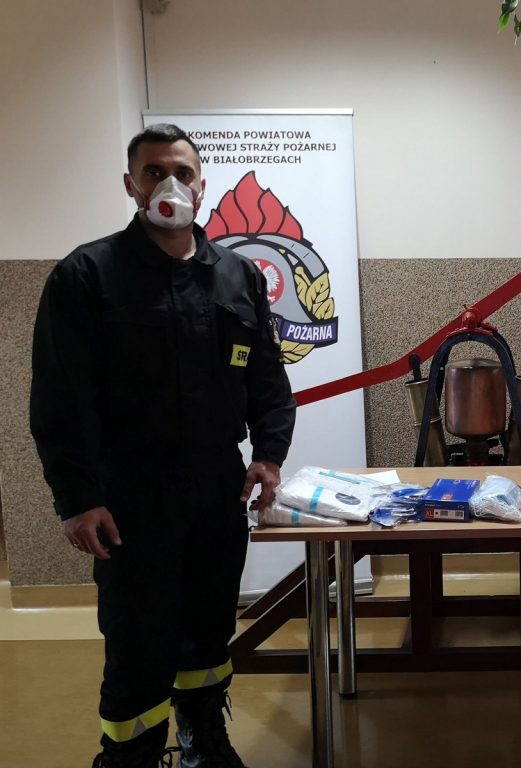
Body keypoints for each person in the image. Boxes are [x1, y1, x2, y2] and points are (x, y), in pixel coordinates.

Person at [30, 124, 296, 768]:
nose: (168, 185)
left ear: (201, 186)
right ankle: (130, 754)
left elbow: (266, 375)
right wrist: (77, 498)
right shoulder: (87, 275)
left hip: (215, 488)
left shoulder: (236, 275)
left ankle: (204, 738)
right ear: (131, 185)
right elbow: (59, 400)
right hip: (129, 496)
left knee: (208, 626)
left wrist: (268, 454)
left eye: (182, 172)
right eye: (153, 172)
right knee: (138, 637)